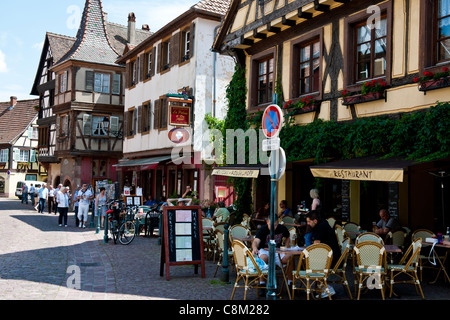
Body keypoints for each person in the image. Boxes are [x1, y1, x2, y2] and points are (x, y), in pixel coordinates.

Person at [251, 216, 293, 294]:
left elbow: (288, 236)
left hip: (277, 250)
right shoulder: (263, 229)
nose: (274, 228)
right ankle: (262, 284)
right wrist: (254, 248)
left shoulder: (282, 228)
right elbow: (256, 241)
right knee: (264, 258)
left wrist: (286, 247)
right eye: (272, 225)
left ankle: (290, 283)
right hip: (265, 249)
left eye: (276, 225)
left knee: (290, 259)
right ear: (267, 222)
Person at [306, 210, 341, 298]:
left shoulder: (319, 227)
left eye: (309, 221)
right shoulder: (324, 224)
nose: (308, 224)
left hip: (331, 260)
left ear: (315, 221)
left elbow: (316, 246)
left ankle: (327, 288)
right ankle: (321, 287)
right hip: (334, 257)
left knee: (310, 263)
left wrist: (306, 252)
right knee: (313, 262)